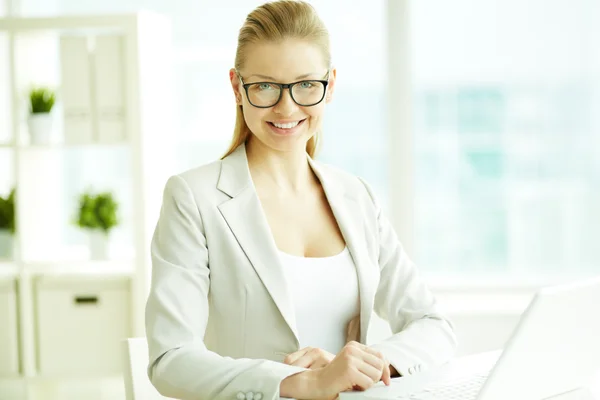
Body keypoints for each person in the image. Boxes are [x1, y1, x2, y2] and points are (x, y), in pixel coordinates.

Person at [145, 1, 457, 399]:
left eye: (306, 84)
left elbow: (433, 324)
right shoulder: (194, 198)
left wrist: (365, 363)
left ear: (331, 85)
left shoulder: (356, 197)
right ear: (237, 88)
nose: (287, 107)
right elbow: (170, 359)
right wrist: (304, 382)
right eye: (264, 86)